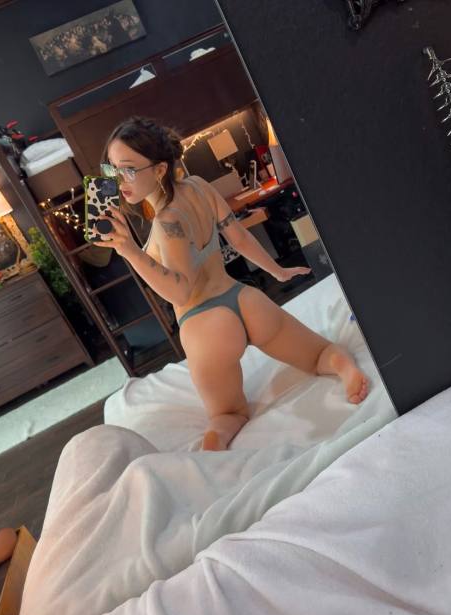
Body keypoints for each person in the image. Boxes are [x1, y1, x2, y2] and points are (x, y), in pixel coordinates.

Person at [93, 116, 369, 450]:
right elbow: (238, 237)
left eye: (128, 169)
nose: (118, 180)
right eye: (111, 169)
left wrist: (130, 251)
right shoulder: (198, 186)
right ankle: (342, 366)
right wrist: (277, 271)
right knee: (321, 354)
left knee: (228, 416)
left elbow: (180, 290)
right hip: (244, 301)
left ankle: (215, 451)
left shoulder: (167, 222)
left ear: (160, 169)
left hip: (205, 328)